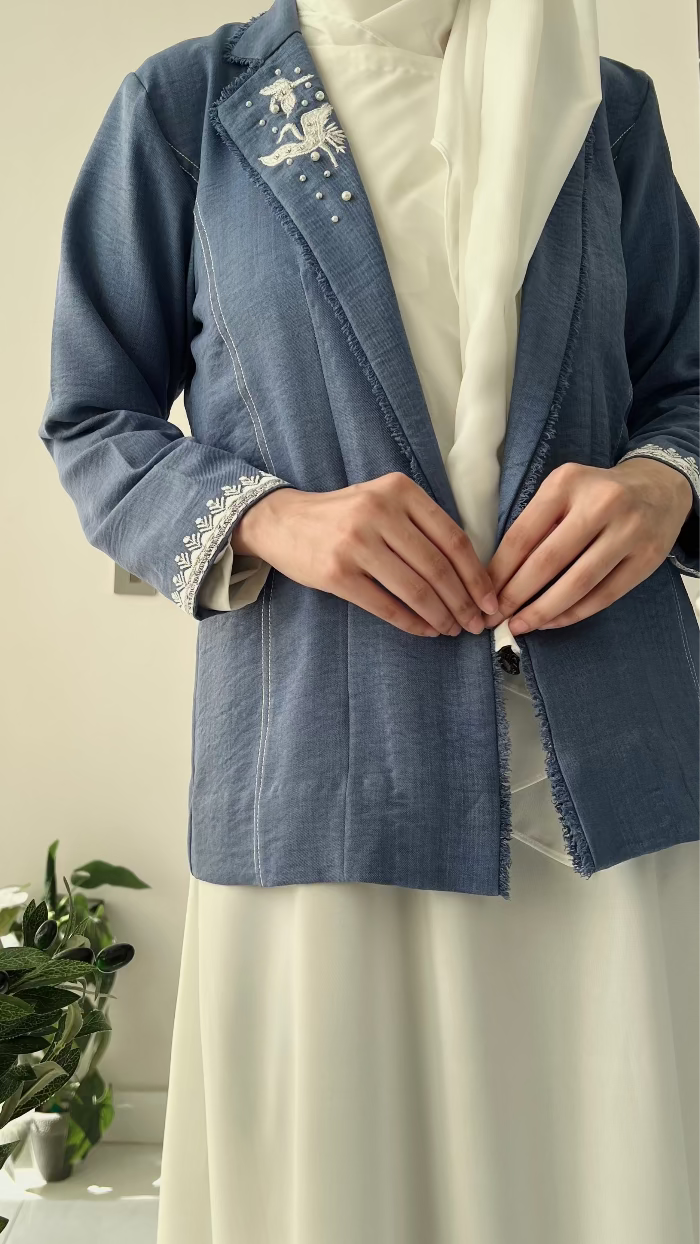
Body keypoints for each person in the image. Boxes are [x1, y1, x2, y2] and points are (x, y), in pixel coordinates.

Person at [40, 0, 700, 1239]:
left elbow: (690, 379)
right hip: (321, 763)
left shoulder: (601, 108)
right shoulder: (188, 107)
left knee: (605, 1178)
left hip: (605, 773)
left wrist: (664, 482)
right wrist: (267, 514)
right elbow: (93, 419)